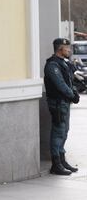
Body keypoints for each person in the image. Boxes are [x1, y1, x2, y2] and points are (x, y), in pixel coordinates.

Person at [44, 38, 80, 175]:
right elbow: (60, 84)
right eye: (67, 48)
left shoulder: (63, 63)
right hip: (58, 103)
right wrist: (72, 95)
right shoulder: (52, 65)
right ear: (60, 49)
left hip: (64, 102)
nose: (69, 50)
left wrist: (74, 93)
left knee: (65, 131)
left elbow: (69, 81)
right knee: (58, 132)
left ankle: (62, 160)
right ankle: (56, 164)